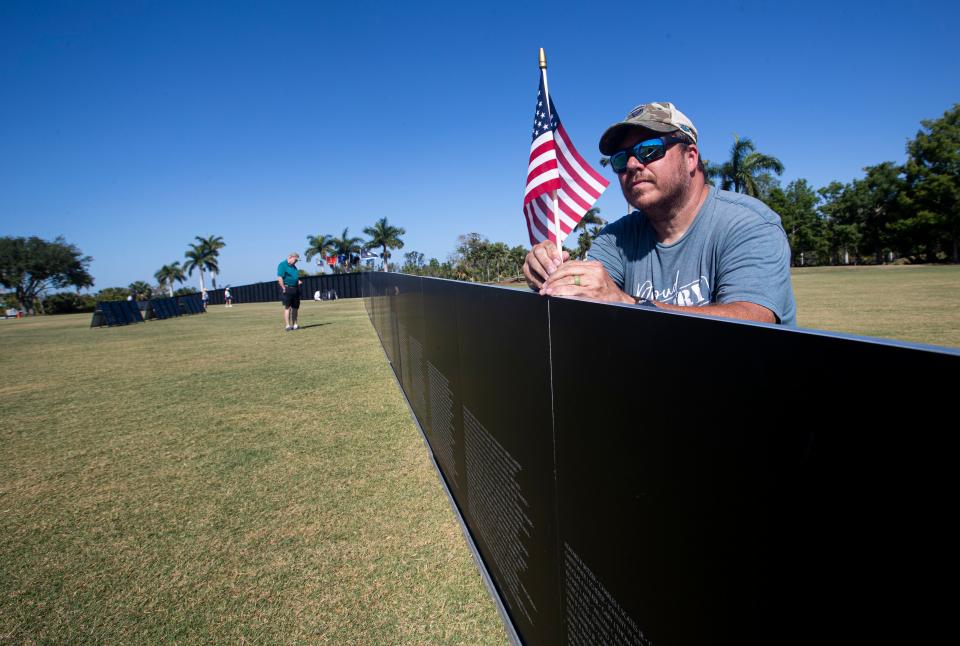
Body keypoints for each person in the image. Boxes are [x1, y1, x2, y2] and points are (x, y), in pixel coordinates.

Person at [524, 102, 796, 326]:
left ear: (690, 157)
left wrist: (629, 304)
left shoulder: (748, 224)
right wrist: (552, 277)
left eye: (649, 149)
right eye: (620, 158)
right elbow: (586, 303)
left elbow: (755, 323)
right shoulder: (616, 239)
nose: (631, 164)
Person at [277, 252, 303, 331]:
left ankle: (295, 325)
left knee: (295, 307)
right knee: (288, 307)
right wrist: (283, 288)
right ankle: (288, 326)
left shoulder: (294, 267)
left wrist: (298, 281)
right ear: (291, 257)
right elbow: (280, 277)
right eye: (296, 260)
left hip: (295, 289)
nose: (296, 261)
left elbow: (295, 277)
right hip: (287, 288)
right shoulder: (282, 265)